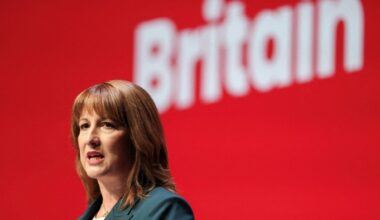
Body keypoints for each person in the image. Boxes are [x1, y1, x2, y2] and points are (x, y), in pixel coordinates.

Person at [71, 80, 194, 220]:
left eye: (107, 125)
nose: (90, 139)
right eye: (84, 126)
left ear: (138, 136)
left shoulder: (163, 209)